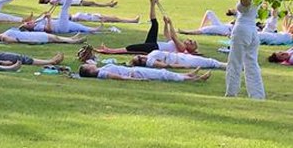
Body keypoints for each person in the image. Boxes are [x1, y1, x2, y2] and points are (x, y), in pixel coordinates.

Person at [85, 0, 198, 55]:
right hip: (153, 45)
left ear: (190, 48)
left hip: (155, 48)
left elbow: (173, 36)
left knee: (133, 47)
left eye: (191, 42)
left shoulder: (182, 48)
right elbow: (167, 35)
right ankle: (152, 3)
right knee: (155, 25)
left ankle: (110, 51)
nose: (189, 40)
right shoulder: (178, 46)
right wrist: (166, 23)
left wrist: (171, 23)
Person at [222, 0, 265, 99]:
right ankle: (257, 95)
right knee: (251, 64)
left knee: (235, 62)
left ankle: (231, 93)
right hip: (253, 31)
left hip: (242, 30)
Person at [77, 61, 210, 82]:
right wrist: (137, 80)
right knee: (163, 74)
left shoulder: (100, 69)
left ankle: (188, 75)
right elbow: (119, 77)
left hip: (135, 70)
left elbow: (92, 61)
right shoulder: (102, 73)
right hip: (135, 74)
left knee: (162, 72)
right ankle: (194, 79)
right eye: (86, 65)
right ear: (89, 70)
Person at [131, 49, 227, 70]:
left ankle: (232, 66)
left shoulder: (150, 55)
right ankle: (233, 67)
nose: (141, 57)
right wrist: (183, 66)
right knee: (211, 62)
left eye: (139, 56)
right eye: (140, 60)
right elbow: (166, 65)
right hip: (182, 60)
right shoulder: (149, 61)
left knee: (210, 61)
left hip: (181, 56)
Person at [0, 27, 84, 45]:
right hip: (31, 37)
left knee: (54, 37)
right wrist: (29, 41)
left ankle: (71, 39)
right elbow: (14, 40)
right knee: (54, 38)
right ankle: (73, 41)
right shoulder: (3, 37)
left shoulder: (4, 34)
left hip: (30, 35)